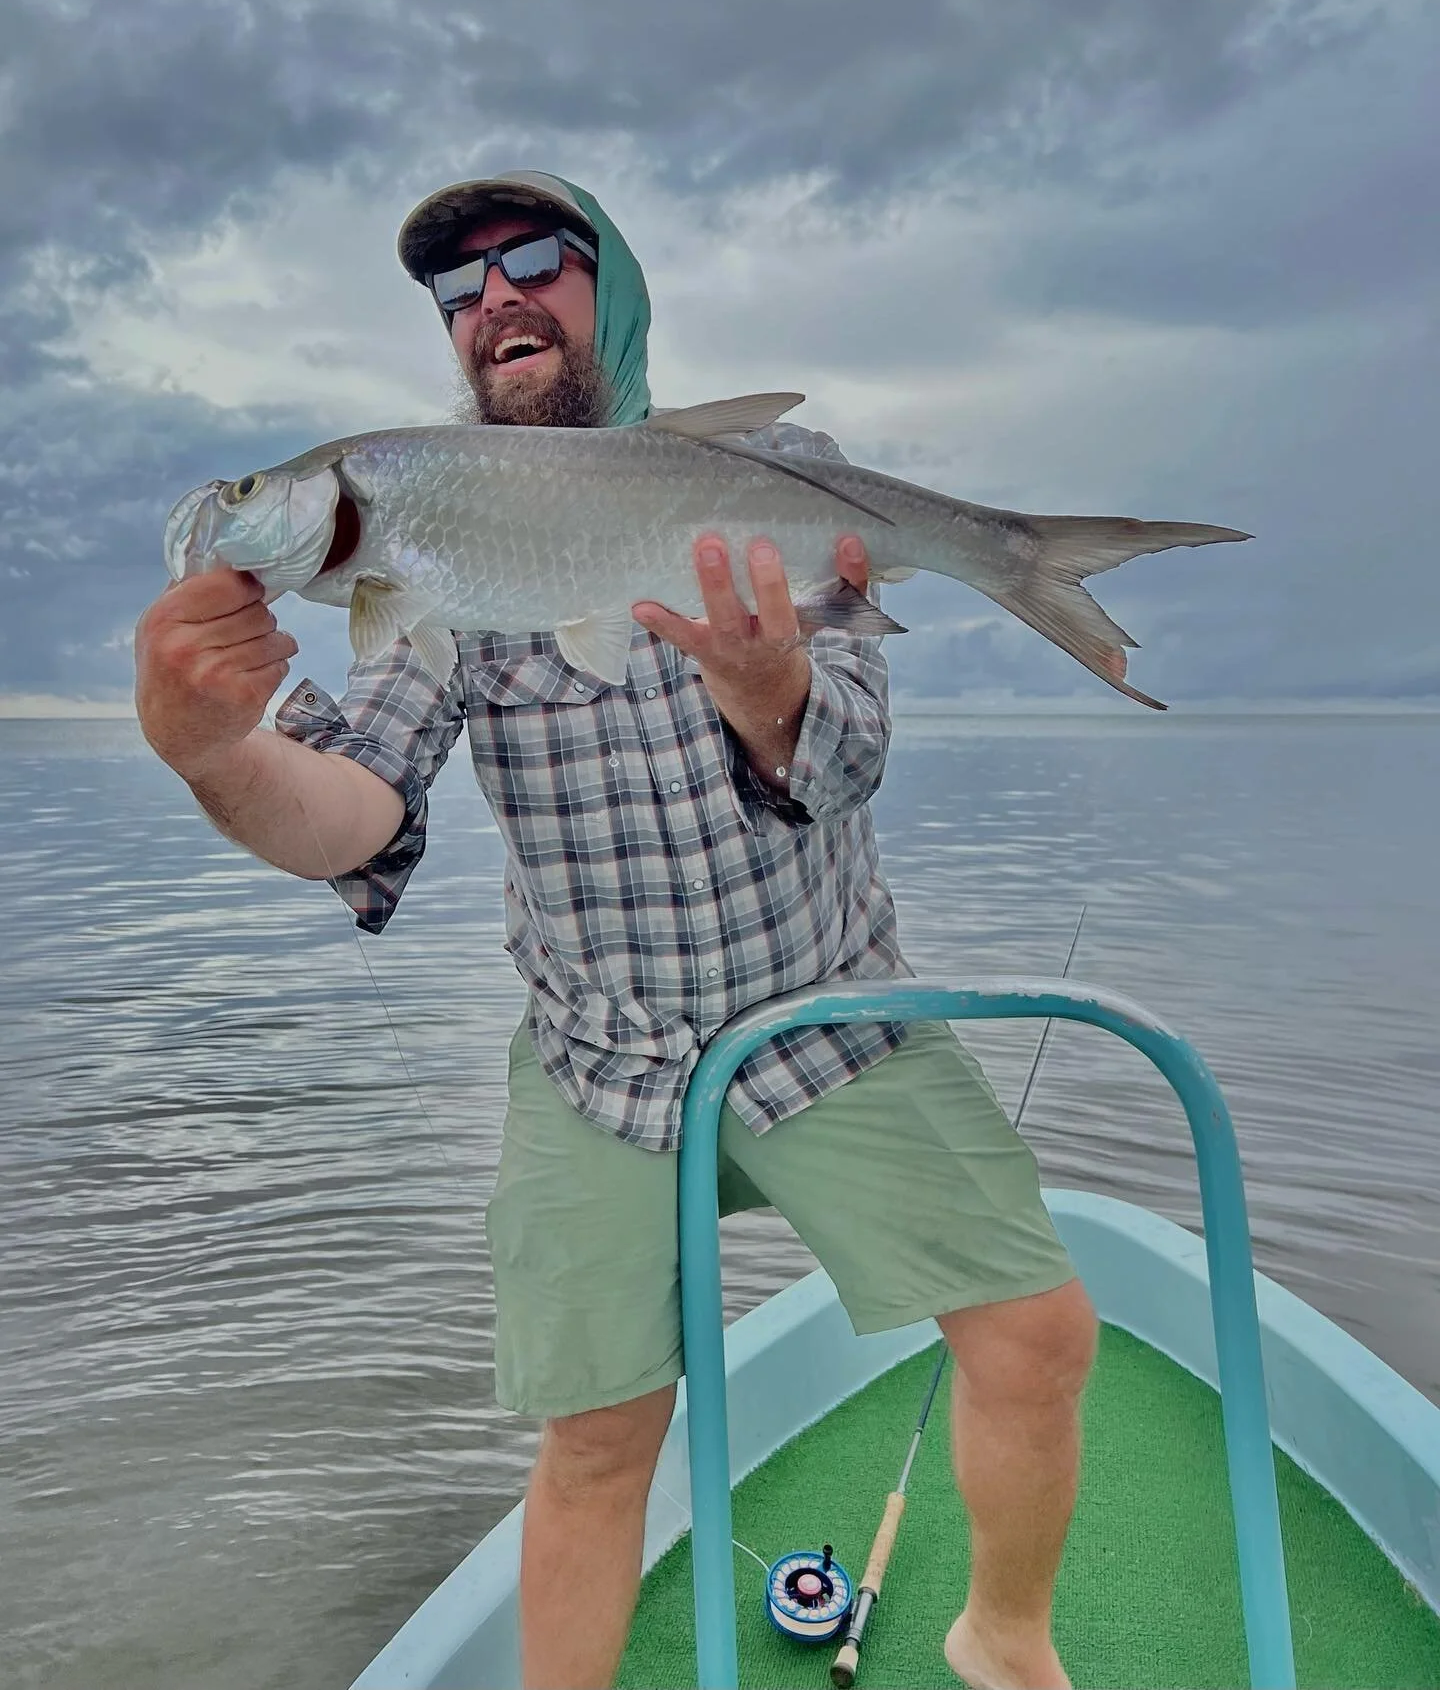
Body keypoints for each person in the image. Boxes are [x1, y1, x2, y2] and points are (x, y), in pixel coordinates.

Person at [133, 171, 1097, 1690]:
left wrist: (769, 685)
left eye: (531, 259)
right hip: (601, 1051)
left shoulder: (780, 470)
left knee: (1039, 1332)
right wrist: (212, 753)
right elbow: (356, 819)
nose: (492, 298)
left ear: (611, 288)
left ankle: (1005, 1634)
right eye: (459, 288)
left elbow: (845, 760)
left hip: (826, 1010)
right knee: (591, 1439)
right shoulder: (428, 537)